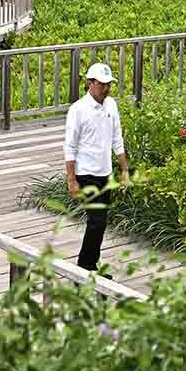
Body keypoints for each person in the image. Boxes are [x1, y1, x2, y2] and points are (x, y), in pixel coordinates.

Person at [63, 63, 129, 277]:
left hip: (105, 173)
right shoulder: (78, 110)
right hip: (86, 173)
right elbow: (70, 146)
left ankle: (89, 265)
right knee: (96, 221)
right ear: (90, 83)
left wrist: (124, 171)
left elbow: (117, 139)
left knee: (99, 223)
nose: (106, 88)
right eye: (102, 84)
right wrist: (71, 180)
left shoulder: (111, 105)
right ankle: (85, 268)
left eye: (109, 84)